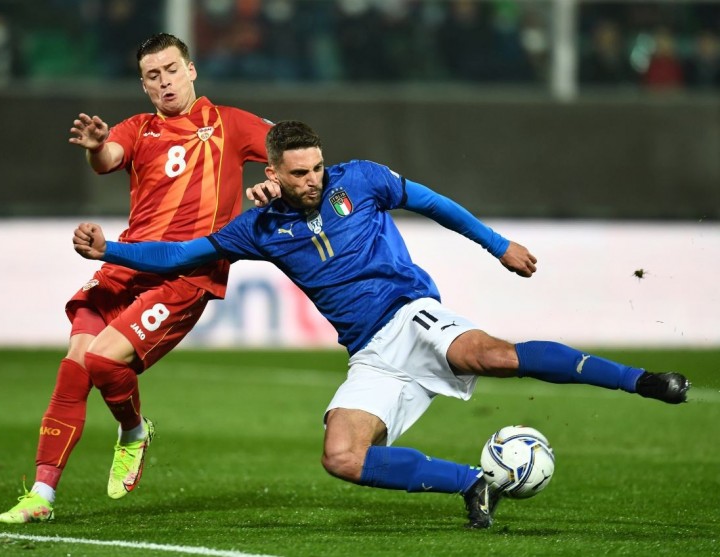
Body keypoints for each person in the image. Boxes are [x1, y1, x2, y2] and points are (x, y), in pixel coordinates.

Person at [72, 120, 691, 529]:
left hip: (412, 314)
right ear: (273, 175)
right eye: (299, 173)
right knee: (341, 457)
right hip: (369, 352)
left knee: (493, 357)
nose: (313, 179)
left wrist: (497, 245)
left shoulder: (360, 180)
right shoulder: (257, 229)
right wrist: (111, 251)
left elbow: (433, 204)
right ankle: (474, 484)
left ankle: (641, 381)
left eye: (317, 167)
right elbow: (181, 254)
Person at [0, 33, 273, 524]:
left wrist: (275, 180)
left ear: (191, 70)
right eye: (153, 75)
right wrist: (96, 147)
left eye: (171, 69)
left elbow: (294, 148)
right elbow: (108, 159)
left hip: (186, 275)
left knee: (103, 360)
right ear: (144, 85)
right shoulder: (139, 128)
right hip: (127, 263)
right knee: (75, 365)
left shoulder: (229, 124)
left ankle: (132, 431)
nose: (164, 81)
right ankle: (41, 494)